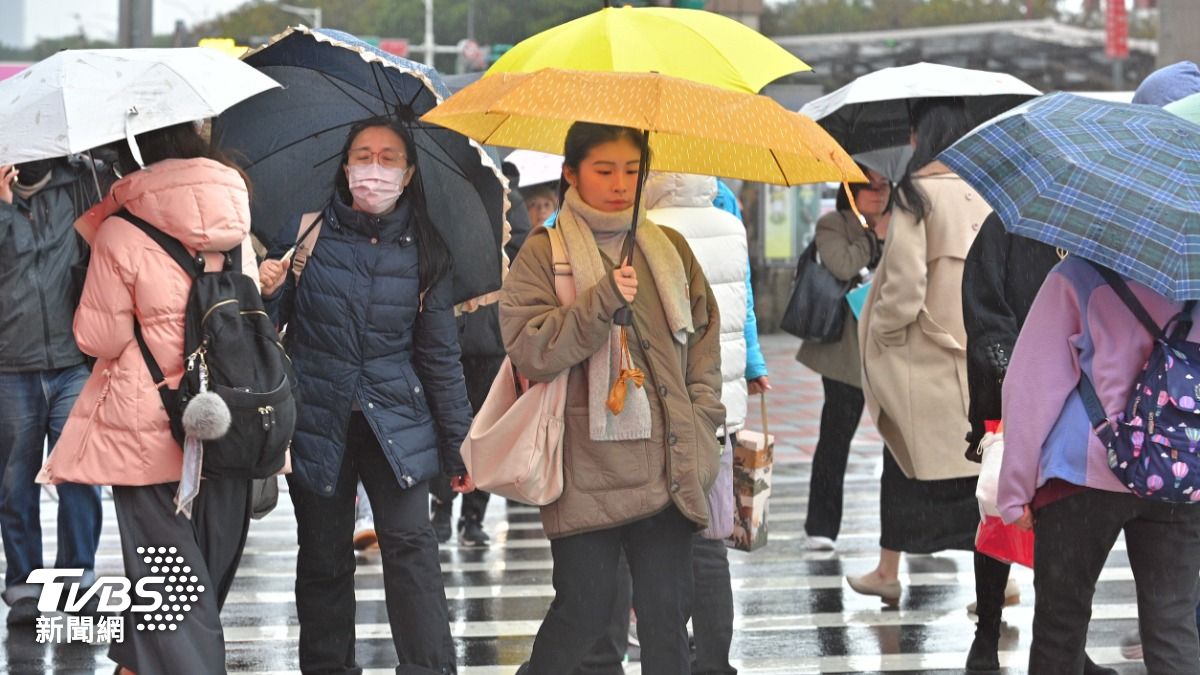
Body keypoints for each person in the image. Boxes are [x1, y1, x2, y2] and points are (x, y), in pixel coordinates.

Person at [500, 122, 724, 674]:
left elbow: (703, 342)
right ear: (572, 174)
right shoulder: (544, 252)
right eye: (604, 170)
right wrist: (601, 299)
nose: (621, 183)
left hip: (667, 465)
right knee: (583, 613)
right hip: (586, 470)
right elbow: (532, 350)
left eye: (632, 169)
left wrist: (702, 417)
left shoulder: (669, 249)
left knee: (667, 620)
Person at [39, 121, 260, 674]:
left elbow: (100, 337)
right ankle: (138, 663)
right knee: (203, 567)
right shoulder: (235, 216)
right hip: (232, 409)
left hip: (150, 422)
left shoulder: (120, 229)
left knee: (169, 580)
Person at [258, 116, 474, 674]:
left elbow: (440, 358)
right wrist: (268, 291)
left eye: (388, 158)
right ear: (345, 164)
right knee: (324, 558)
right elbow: (265, 332)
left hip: (396, 421)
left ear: (409, 173)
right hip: (317, 419)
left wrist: (459, 447)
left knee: (411, 548)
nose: (373, 169)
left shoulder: (427, 251)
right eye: (363, 155)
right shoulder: (305, 235)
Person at [999, 255, 1200, 674]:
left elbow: (1031, 385)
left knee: (1060, 625)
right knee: (1172, 627)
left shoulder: (1079, 273)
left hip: (1082, 472)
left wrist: (1015, 490)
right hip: (1177, 474)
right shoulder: (1193, 278)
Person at [962, 213, 1116, 675]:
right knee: (999, 510)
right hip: (1010, 388)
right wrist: (1020, 371)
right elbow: (983, 308)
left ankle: (1067, 644)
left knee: (1066, 524)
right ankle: (986, 632)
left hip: (1081, 397)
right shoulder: (1006, 225)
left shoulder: (1097, 227)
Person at [850, 98, 989, 605]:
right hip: (975, 359)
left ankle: (888, 571)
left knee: (904, 462)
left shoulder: (915, 195)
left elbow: (905, 287)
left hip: (922, 361)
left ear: (920, 135)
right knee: (979, 474)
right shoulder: (985, 192)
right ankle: (999, 583)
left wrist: (883, 331)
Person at [0, 156, 105, 626]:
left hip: (72, 361)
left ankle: (77, 577)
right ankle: (24, 585)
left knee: (80, 475)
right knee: (14, 480)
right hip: (10, 364)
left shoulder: (79, 184)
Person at [430, 185, 533, 546]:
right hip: (447, 331)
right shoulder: (441, 190)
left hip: (492, 334)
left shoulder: (506, 195)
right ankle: (442, 505)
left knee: (487, 429)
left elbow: (522, 253)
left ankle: (474, 515)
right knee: (445, 423)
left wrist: (487, 245)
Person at [797, 164, 890, 551]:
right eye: (869, 186)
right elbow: (842, 265)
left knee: (904, 444)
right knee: (835, 437)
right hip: (845, 353)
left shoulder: (900, 223)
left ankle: (911, 527)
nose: (879, 193)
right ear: (850, 190)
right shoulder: (833, 224)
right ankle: (821, 526)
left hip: (890, 348)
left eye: (884, 185)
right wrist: (874, 237)